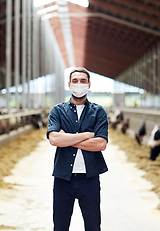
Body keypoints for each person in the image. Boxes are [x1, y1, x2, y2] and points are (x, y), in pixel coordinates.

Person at [46, 67, 108, 231]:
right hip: (63, 178)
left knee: (93, 226)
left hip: (90, 179)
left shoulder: (98, 111)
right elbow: (54, 139)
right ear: (69, 84)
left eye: (82, 81)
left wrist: (67, 138)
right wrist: (86, 135)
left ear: (88, 85)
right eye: (75, 81)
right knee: (60, 226)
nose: (78, 84)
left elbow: (100, 144)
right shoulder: (57, 111)